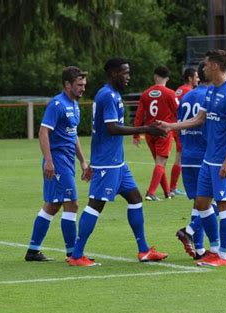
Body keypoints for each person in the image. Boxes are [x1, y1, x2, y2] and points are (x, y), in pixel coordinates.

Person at [68, 58, 168, 266]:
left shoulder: (113, 94)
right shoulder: (106, 95)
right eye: (125, 73)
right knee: (96, 205)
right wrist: (146, 129)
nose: (128, 76)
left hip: (117, 162)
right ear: (113, 73)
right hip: (107, 163)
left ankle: (143, 250)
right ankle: (77, 255)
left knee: (135, 199)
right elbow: (112, 128)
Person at [159, 49, 226, 267]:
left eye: (205, 65)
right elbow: (198, 119)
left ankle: (224, 255)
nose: (202, 68)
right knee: (202, 202)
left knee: (224, 205)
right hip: (208, 159)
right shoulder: (210, 92)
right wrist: (170, 126)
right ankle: (213, 249)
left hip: (223, 161)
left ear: (214, 66)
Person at [25, 66, 89, 261]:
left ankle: (33, 251)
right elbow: (43, 132)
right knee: (73, 203)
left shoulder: (75, 104)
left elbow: (73, 134)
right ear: (67, 84)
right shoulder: (57, 104)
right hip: (58, 160)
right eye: (79, 85)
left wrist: (83, 161)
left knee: (52, 205)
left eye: (84, 85)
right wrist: (49, 161)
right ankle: (73, 253)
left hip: (68, 160)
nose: (83, 88)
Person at [174, 62, 212, 260]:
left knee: (199, 203)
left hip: (188, 155)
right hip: (205, 155)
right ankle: (189, 230)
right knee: (214, 202)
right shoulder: (211, 95)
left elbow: (180, 125)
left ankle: (199, 250)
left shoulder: (187, 96)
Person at [133, 66, 178, 201]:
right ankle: (151, 193)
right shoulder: (170, 93)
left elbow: (139, 115)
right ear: (167, 78)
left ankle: (167, 192)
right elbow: (178, 111)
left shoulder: (146, 93)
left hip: (149, 131)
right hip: (164, 130)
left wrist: (136, 134)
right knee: (160, 162)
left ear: (155, 76)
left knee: (159, 163)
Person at [170, 67, 199, 196]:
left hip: (178, 127)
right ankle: (173, 187)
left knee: (179, 157)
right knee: (180, 157)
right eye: (196, 76)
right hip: (185, 129)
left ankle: (172, 186)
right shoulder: (189, 92)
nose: (198, 79)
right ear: (190, 78)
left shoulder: (179, 90)